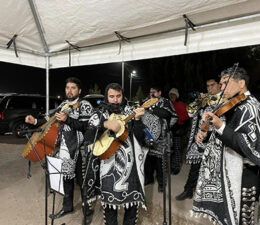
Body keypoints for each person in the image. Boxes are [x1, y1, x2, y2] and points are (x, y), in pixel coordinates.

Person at [192, 66, 260, 225]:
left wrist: (219, 126)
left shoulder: (250, 106)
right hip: (230, 172)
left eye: (225, 83)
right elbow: (228, 133)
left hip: (245, 175)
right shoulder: (233, 104)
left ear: (241, 83)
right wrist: (207, 133)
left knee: (243, 220)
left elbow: (246, 145)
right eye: (221, 84)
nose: (221, 88)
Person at [25, 77, 94, 223]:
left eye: (73, 88)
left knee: (83, 183)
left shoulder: (85, 105)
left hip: (81, 151)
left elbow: (87, 127)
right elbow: (50, 120)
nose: (69, 90)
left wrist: (67, 120)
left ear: (79, 90)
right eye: (67, 87)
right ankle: (67, 207)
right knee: (66, 180)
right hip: (65, 150)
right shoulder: (63, 104)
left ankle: (87, 211)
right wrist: (35, 122)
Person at [83, 83, 148, 225]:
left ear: (123, 96)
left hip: (131, 167)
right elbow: (88, 136)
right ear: (106, 97)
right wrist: (104, 124)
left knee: (131, 205)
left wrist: (137, 121)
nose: (115, 100)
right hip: (107, 166)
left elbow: (141, 138)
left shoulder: (131, 111)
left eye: (118, 96)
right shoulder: (99, 113)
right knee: (109, 207)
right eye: (111, 96)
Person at [176, 78, 222, 201]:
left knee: (212, 171)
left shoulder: (223, 100)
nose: (209, 88)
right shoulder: (204, 100)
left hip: (213, 141)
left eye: (212, 85)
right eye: (207, 86)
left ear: (219, 85)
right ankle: (188, 190)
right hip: (199, 140)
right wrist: (198, 101)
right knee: (194, 168)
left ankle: (209, 197)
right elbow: (189, 113)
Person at [143, 86, 177, 192]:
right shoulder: (145, 101)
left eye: (154, 92)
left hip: (161, 138)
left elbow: (170, 115)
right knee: (148, 160)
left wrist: (166, 128)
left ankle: (161, 183)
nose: (151, 95)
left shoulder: (166, 102)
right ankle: (149, 179)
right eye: (150, 92)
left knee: (160, 162)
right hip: (148, 135)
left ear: (159, 92)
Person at [168, 88, 189, 175]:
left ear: (177, 96)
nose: (172, 96)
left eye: (174, 94)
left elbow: (186, 119)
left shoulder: (180, 104)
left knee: (177, 149)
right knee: (170, 149)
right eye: (171, 94)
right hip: (169, 130)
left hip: (178, 130)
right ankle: (171, 166)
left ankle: (176, 167)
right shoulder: (168, 104)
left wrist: (182, 129)